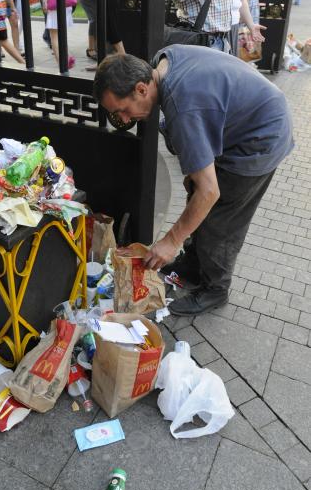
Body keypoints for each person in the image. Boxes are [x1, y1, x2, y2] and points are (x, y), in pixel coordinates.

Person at [93, 47, 293, 315]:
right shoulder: (161, 63)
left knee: (220, 221)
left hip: (262, 137)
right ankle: (193, 266)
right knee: (196, 197)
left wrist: (171, 241)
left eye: (124, 110)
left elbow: (210, 192)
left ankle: (215, 289)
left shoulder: (182, 106)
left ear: (141, 89)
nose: (126, 119)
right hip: (244, 120)